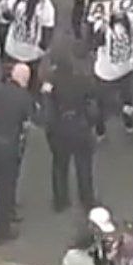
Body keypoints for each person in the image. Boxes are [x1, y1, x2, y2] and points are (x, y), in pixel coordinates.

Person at [0, 64, 34, 244]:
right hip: (7, 147)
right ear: (25, 80)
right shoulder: (24, 98)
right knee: (5, 189)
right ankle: (1, 231)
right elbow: (33, 119)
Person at [45, 47, 98, 211]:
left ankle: (60, 200)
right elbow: (93, 95)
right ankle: (87, 199)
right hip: (80, 126)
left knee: (60, 165)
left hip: (61, 128)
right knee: (84, 165)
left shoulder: (51, 84)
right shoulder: (81, 80)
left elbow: (47, 110)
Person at [2, 0, 55, 91]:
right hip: (12, 50)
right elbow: (6, 17)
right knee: (10, 82)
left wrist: (41, 49)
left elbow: (47, 30)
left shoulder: (44, 5)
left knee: (31, 82)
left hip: (31, 54)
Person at [92, 11, 133, 138]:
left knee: (106, 104)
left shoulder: (131, 19)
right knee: (120, 101)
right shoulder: (130, 19)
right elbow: (95, 43)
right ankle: (123, 125)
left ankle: (104, 130)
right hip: (116, 72)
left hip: (113, 73)